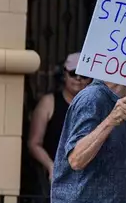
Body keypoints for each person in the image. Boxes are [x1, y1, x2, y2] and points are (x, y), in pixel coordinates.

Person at [28, 52, 91, 187]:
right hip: (53, 180)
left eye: (84, 75)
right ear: (64, 74)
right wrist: (51, 166)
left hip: (86, 179)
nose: (78, 78)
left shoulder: (95, 106)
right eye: (73, 73)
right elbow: (34, 144)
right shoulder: (49, 102)